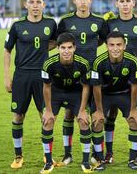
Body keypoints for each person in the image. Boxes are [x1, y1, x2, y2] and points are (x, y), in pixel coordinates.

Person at [4, 0, 57, 169]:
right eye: (31, 2)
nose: (35, 5)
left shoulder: (50, 24)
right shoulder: (17, 26)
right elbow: (7, 50)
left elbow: (56, 42)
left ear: (44, 5)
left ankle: (47, 155)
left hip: (43, 76)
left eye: (38, 2)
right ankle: (18, 156)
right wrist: (6, 76)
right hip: (21, 75)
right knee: (18, 116)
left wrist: (42, 49)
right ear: (25, 5)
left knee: (46, 116)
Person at [56, 0, 108, 165]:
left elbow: (104, 40)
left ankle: (96, 153)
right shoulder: (65, 21)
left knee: (95, 114)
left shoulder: (99, 22)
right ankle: (67, 153)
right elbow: (59, 43)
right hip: (70, 73)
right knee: (69, 113)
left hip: (93, 73)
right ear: (74, 1)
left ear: (91, 0)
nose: (83, 2)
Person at [102, 0, 137, 164]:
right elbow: (98, 40)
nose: (125, 4)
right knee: (111, 115)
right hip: (113, 73)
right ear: (116, 4)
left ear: (134, 3)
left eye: (128, 1)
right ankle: (109, 153)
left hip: (135, 75)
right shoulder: (109, 23)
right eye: (121, 1)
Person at [90, 31, 137, 170]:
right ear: (106, 46)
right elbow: (96, 87)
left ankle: (133, 159)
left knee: (135, 120)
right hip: (104, 95)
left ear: (124, 46)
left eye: (119, 45)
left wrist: (133, 109)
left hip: (124, 94)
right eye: (112, 45)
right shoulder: (98, 62)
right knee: (97, 121)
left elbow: (135, 86)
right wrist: (99, 111)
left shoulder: (133, 61)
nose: (115, 48)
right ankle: (100, 158)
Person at [40, 33, 92, 174]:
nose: (66, 51)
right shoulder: (49, 63)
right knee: (48, 121)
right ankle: (49, 162)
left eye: (70, 47)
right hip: (56, 93)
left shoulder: (83, 63)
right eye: (63, 47)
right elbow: (46, 87)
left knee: (83, 121)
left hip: (75, 93)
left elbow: (86, 87)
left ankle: (86, 161)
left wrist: (82, 110)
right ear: (57, 48)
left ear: (75, 48)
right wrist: (49, 110)